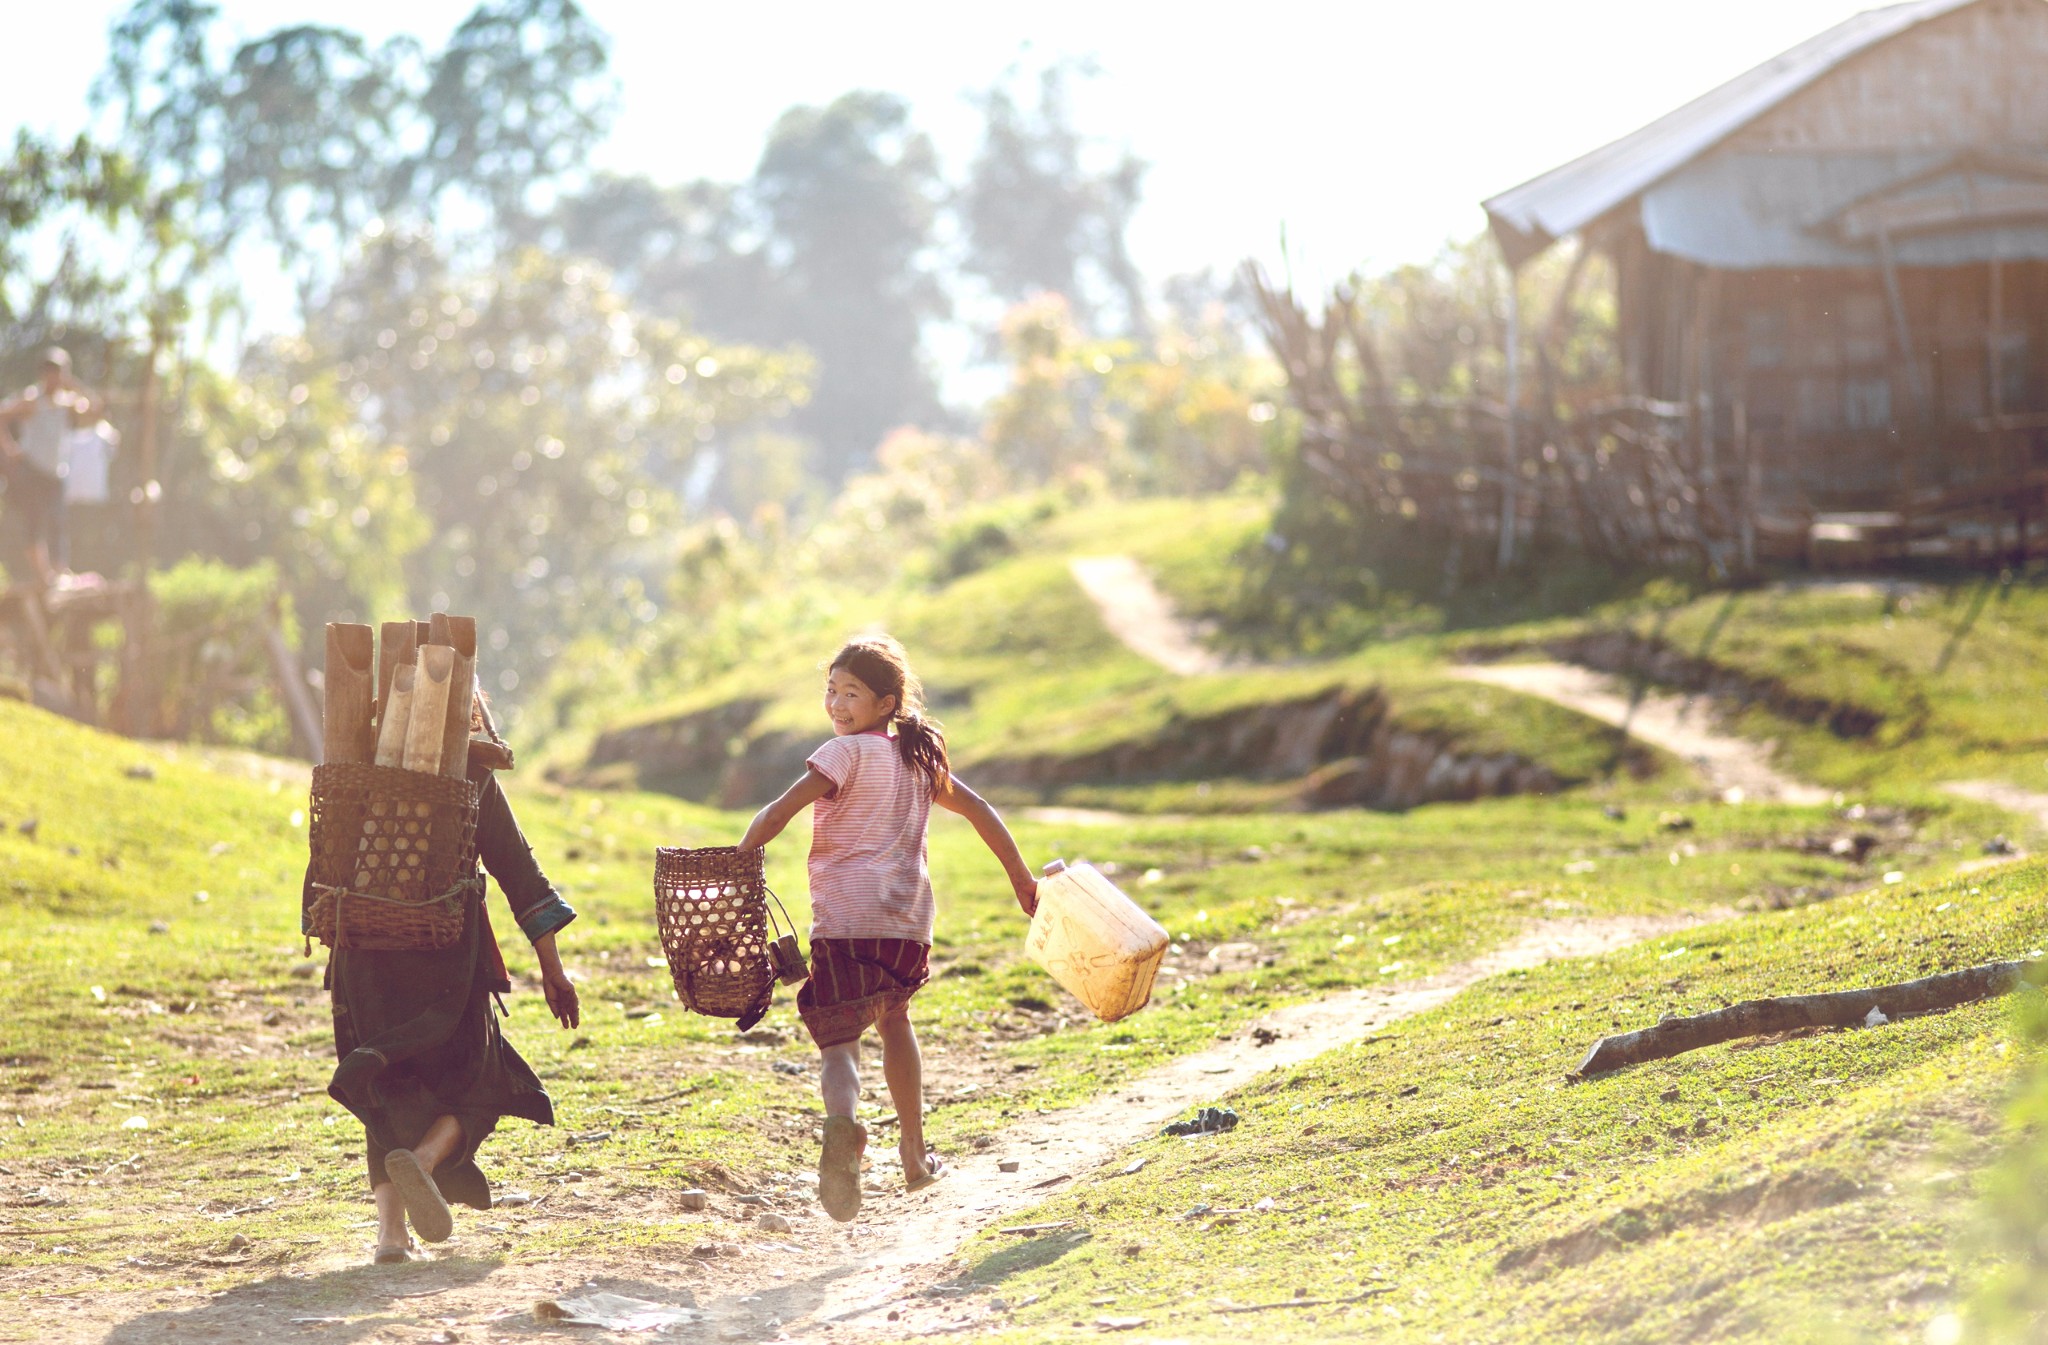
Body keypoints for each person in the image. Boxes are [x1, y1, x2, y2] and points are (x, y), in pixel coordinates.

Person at [738, 635, 1037, 1222]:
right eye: (831, 690)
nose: (837, 704)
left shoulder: (843, 755)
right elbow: (981, 809)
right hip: (906, 926)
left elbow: (778, 811)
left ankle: (844, 1127)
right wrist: (1022, 880)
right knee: (895, 1019)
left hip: (846, 923)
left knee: (839, 1039)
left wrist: (737, 858)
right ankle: (914, 1154)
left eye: (851, 694)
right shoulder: (918, 760)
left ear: (886, 703)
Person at [309, 701, 582, 1265]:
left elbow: (321, 871)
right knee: (482, 1082)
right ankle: (427, 1162)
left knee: (383, 1085)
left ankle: (390, 1236)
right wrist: (553, 971)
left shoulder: (350, 776)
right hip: (445, 969)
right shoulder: (472, 779)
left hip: (363, 962)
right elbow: (522, 878)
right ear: (467, 718)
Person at [0, 348, 96, 587]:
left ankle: (59, 574)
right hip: (31, 469)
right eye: (50, 371)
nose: (53, 376)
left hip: (55, 472)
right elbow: (2, 414)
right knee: (36, 523)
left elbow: (95, 409)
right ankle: (44, 577)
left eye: (59, 371)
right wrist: (9, 448)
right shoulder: (32, 399)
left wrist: (74, 386)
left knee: (58, 524)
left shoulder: (68, 401)